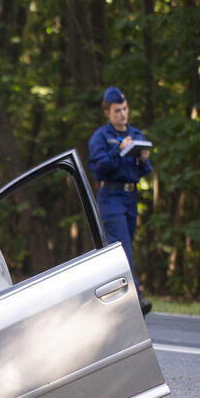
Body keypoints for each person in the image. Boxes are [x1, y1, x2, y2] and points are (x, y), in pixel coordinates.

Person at [88, 86, 153, 315]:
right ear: (108, 111)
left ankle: (112, 298)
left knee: (123, 249)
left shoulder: (136, 134)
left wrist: (144, 159)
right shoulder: (101, 137)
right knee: (122, 249)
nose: (123, 114)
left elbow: (144, 171)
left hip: (130, 196)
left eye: (125, 109)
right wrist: (120, 151)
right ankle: (136, 300)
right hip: (111, 195)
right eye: (117, 111)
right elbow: (98, 166)